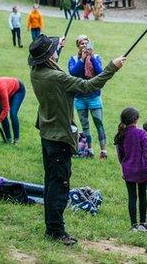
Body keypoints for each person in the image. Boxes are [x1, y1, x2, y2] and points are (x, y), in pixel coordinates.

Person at [28, 34, 126, 245]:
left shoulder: (36, 72)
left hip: (47, 134)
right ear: (48, 57)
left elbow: (51, 67)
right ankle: (55, 231)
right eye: (54, 50)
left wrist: (56, 48)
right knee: (59, 185)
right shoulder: (56, 78)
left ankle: (51, 226)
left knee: (50, 182)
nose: (56, 52)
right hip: (59, 138)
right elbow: (86, 86)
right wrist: (112, 67)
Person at [115, 107, 147, 232]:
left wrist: (124, 166)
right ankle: (143, 223)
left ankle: (133, 225)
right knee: (142, 195)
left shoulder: (121, 134)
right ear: (136, 119)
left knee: (132, 196)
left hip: (128, 170)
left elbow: (120, 155)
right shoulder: (141, 133)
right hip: (142, 170)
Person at [68, 35, 108, 159]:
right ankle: (89, 149)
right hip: (79, 98)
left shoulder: (96, 57)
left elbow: (100, 73)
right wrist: (82, 60)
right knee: (85, 125)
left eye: (86, 43)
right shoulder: (73, 59)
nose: (84, 45)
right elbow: (74, 73)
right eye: (81, 43)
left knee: (99, 123)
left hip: (94, 97)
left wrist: (91, 57)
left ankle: (103, 151)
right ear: (78, 46)